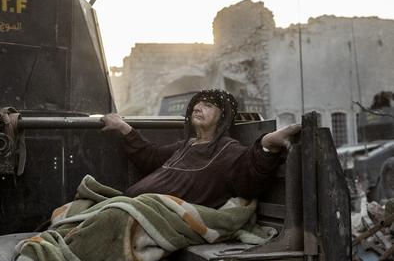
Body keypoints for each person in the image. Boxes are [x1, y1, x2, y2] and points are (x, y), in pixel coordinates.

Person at [101, 89, 300, 209]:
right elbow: (150, 156)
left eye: (207, 105)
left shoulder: (228, 151)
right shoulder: (186, 146)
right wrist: (123, 127)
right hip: (128, 205)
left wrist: (268, 143)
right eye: (196, 104)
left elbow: (251, 170)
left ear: (223, 117)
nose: (197, 107)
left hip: (146, 215)